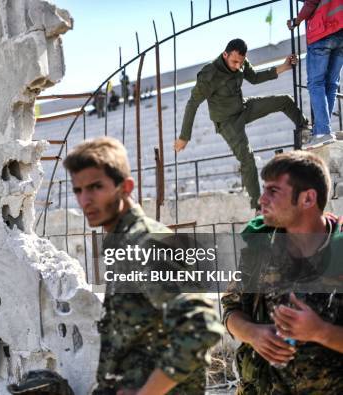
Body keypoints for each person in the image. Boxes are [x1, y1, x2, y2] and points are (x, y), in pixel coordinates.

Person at [64, 137, 224, 395]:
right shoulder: (121, 243)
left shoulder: (147, 244)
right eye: (78, 190)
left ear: (125, 187)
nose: (85, 200)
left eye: (96, 187)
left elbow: (201, 327)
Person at [221, 151, 343, 393]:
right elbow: (231, 310)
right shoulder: (260, 247)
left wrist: (321, 332)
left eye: (273, 191)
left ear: (308, 199)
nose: (261, 200)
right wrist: (253, 333)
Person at [175, 38, 310, 211]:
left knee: (284, 101)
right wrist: (184, 137)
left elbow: (254, 77)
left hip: (243, 107)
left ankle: (306, 130)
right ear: (225, 55)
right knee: (247, 159)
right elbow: (192, 104)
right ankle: (258, 206)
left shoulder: (241, 62)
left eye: (241, 62)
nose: (238, 66)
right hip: (227, 122)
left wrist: (283, 67)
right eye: (234, 62)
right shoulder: (209, 75)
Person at [288, 0, 343, 146]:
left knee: (316, 83)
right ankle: (321, 130)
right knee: (331, 84)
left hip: (322, 32)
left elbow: (311, 2)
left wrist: (296, 21)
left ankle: (323, 131)